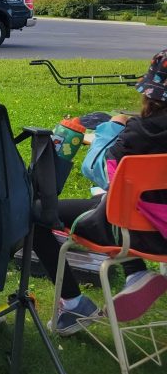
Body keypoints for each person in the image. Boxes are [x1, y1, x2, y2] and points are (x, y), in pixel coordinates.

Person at [35, 49, 167, 336]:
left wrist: (111, 128)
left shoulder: (137, 136)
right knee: (105, 199)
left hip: (132, 231)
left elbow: (96, 169)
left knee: (36, 214)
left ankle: (72, 304)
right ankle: (135, 273)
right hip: (160, 230)